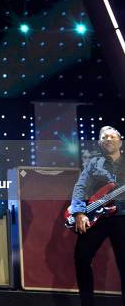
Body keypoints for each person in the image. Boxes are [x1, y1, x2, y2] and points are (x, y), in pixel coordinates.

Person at [71, 125, 124, 306]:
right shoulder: (94, 163)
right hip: (97, 216)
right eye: (104, 137)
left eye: (112, 136)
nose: (108, 139)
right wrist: (78, 212)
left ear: (120, 140)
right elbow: (80, 187)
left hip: (122, 217)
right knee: (81, 258)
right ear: (101, 143)